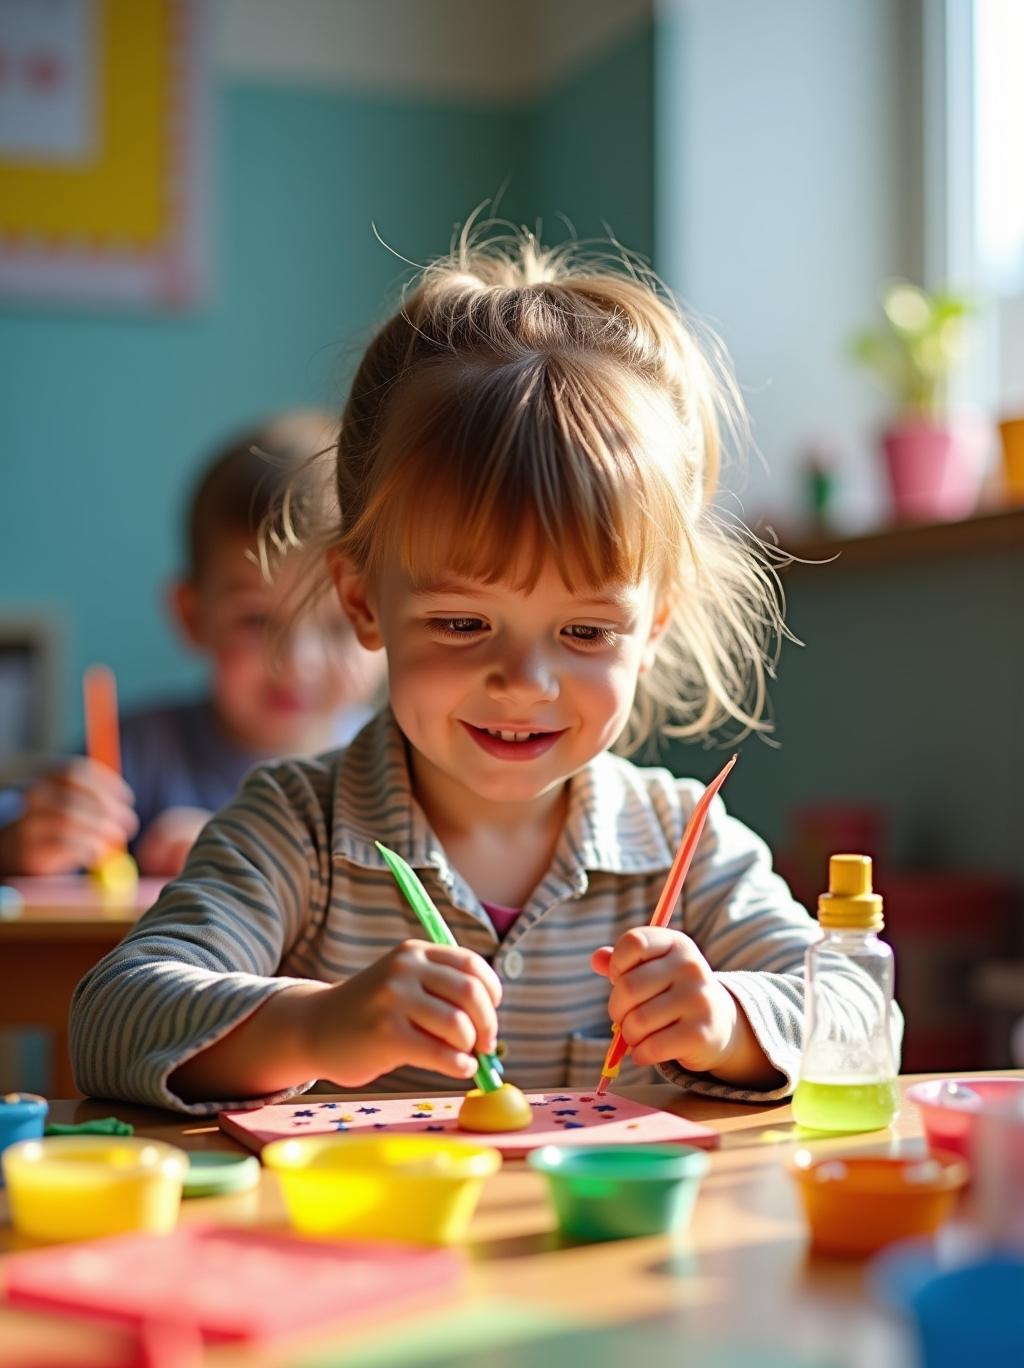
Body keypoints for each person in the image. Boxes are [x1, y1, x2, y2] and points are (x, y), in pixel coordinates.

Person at [71, 230, 897, 1112]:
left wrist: (730, 1020)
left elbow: (860, 1015)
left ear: (650, 625)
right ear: (361, 603)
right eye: (463, 623)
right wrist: (316, 1027)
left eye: (585, 631)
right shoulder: (297, 831)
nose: (524, 680)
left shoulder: (680, 846)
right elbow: (109, 1021)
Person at [0, 412, 384, 879]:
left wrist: (236, 846)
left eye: (339, 624)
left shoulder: (402, 769)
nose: (298, 662)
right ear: (192, 616)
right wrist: (25, 841)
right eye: (257, 620)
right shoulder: (136, 755)